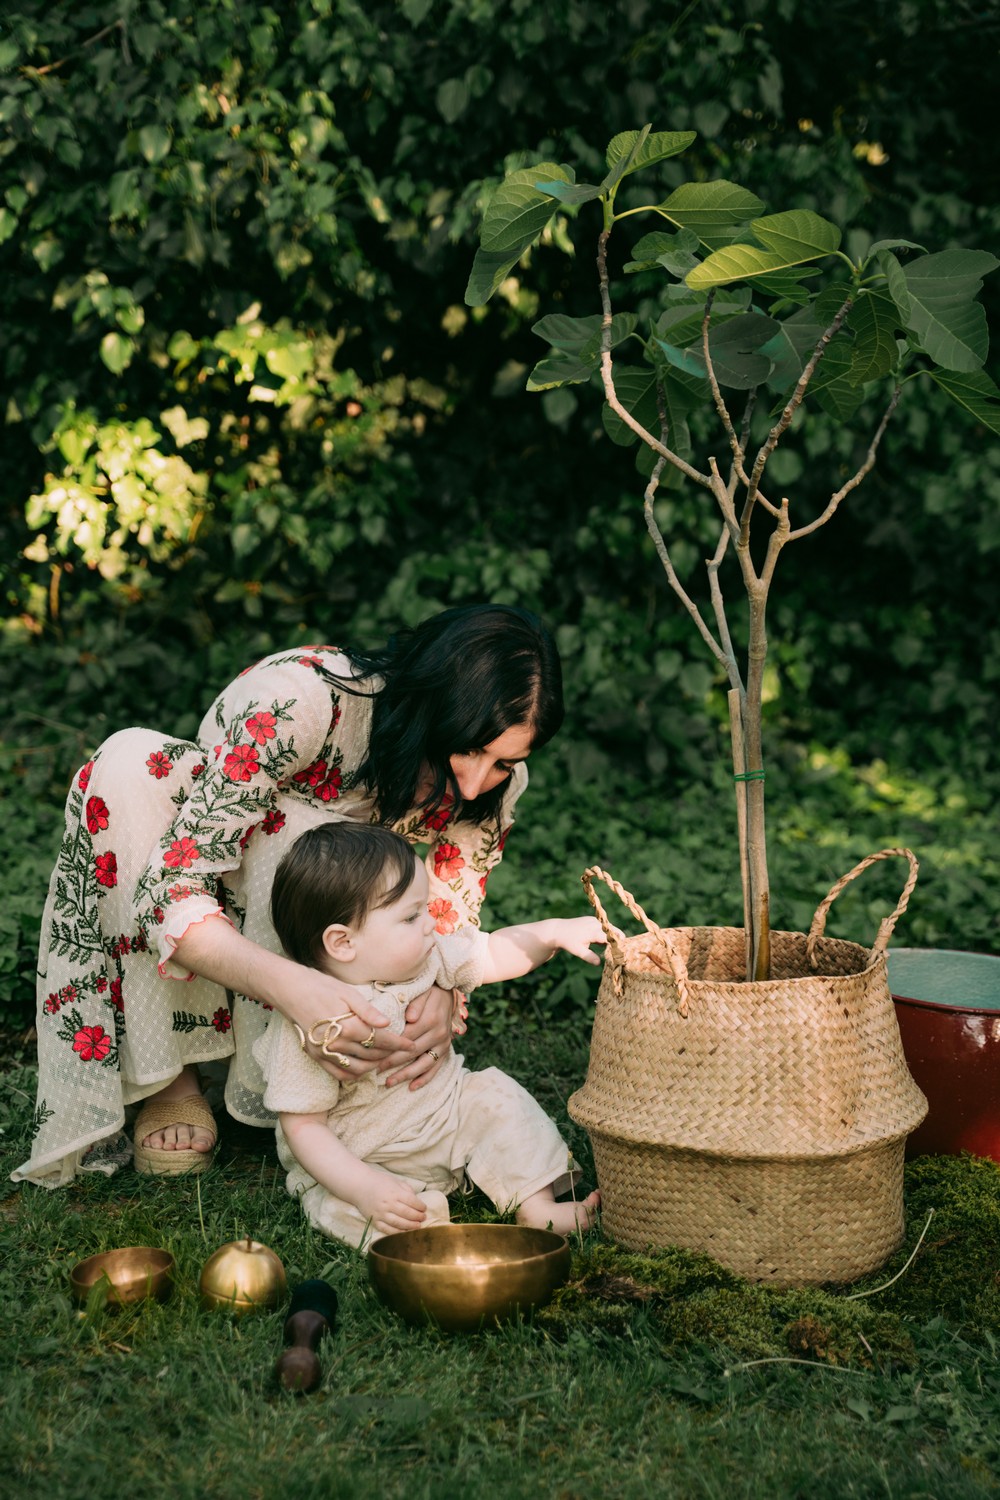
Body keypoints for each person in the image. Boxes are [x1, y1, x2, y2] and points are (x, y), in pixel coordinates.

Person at [13, 604, 564, 1187]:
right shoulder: (300, 703)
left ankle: (322, 1086)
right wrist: (301, 990)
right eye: (467, 748)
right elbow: (173, 889)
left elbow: (449, 913)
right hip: (220, 885)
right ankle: (175, 1078)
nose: (477, 783)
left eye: (505, 762)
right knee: (146, 773)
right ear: (428, 702)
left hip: (342, 936)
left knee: (327, 856)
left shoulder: (490, 788)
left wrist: (442, 988)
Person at [257, 821, 603, 1247]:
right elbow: (304, 1128)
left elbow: (492, 951)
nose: (429, 924)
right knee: (343, 1204)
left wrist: (551, 932)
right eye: (410, 916)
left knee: (496, 1097)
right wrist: (365, 1188)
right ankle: (424, 1234)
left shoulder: (430, 956)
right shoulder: (310, 1021)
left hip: (447, 1114)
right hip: (361, 1157)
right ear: (343, 943)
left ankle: (538, 1208)